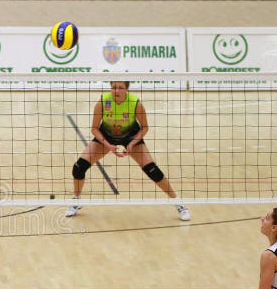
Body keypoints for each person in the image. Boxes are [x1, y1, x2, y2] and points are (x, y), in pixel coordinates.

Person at [65, 81, 191, 221]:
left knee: (153, 170)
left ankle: (178, 203)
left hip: (131, 136)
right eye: (113, 87)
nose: (116, 91)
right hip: (106, 136)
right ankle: (76, 200)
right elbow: (94, 128)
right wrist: (107, 145)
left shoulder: (135, 103)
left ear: (127, 89)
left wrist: (132, 143)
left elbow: (144, 128)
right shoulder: (102, 102)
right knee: (78, 167)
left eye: (120, 88)